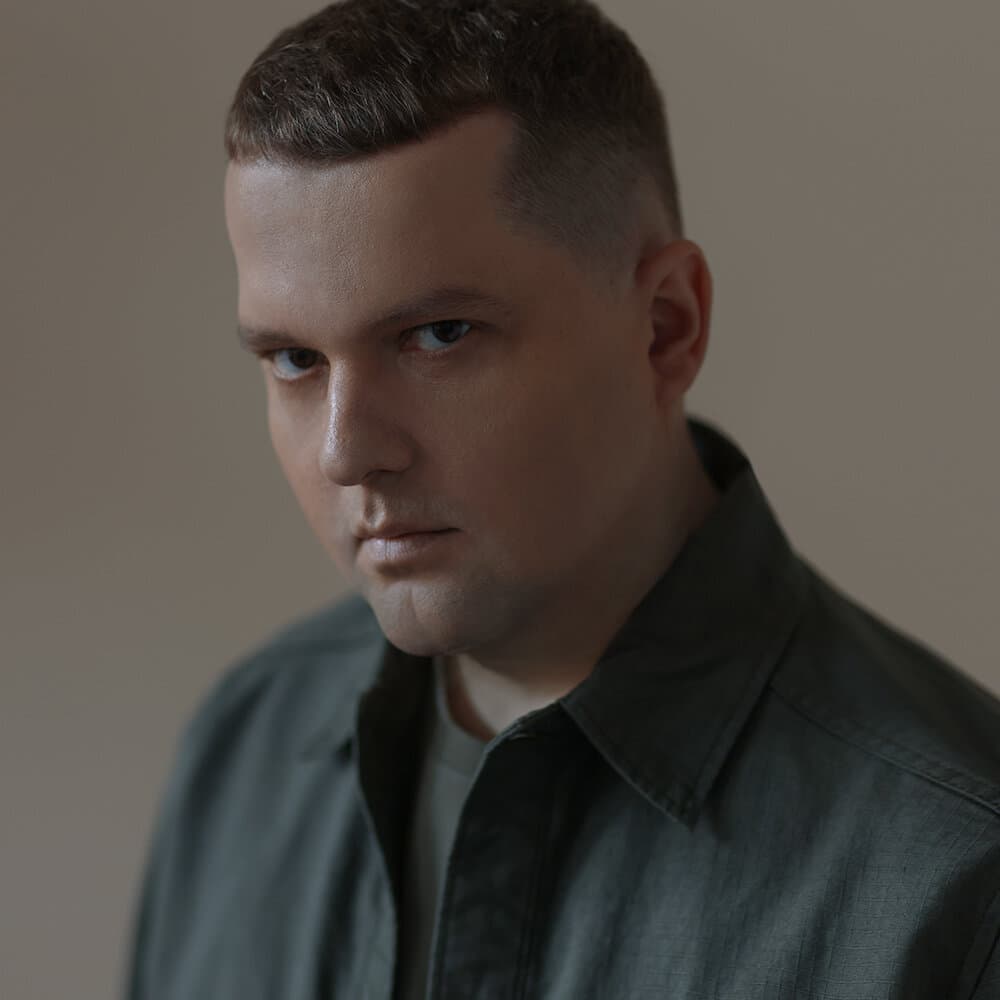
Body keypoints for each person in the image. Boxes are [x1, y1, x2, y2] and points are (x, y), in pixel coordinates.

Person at [123, 1, 1000, 997]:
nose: (347, 452)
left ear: (664, 329)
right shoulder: (242, 751)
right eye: (293, 359)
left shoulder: (961, 877)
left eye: (439, 335)